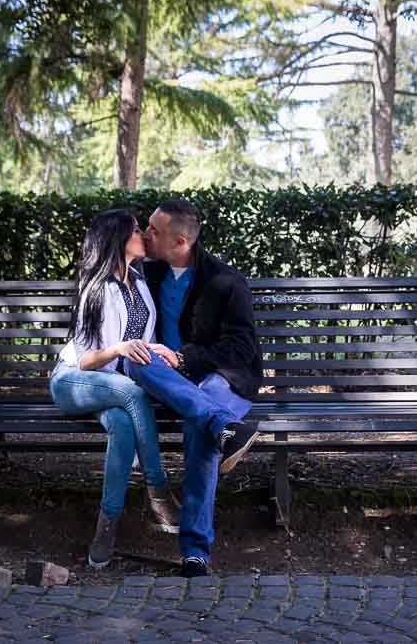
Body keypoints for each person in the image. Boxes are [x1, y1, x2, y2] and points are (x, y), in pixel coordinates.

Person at [123, 199, 263, 577]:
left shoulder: (225, 281)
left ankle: (195, 550)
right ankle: (225, 426)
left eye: (154, 230)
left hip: (222, 376)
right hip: (166, 378)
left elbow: (241, 348)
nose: (145, 233)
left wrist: (184, 359)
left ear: (180, 241)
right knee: (132, 357)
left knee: (197, 428)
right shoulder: (144, 272)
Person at [49, 209, 180, 569]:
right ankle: (158, 491)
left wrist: (158, 351)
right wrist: (119, 349)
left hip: (113, 387)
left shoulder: (139, 285)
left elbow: (141, 343)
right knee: (131, 394)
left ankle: (105, 527)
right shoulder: (96, 287)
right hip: (73, 381)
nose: (143, 236)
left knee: (122, 426)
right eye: (137, 231)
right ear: (118, 239)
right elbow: (85, 359)